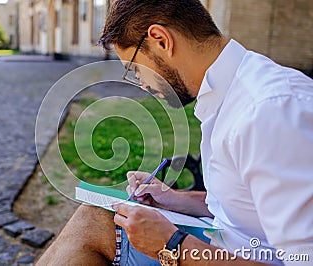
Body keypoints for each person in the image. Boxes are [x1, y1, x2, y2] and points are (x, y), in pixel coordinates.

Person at [36, 0, 313, 265]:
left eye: (134, 70)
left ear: (161, 40)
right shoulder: (229, 93)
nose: (140, 84)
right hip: (221, 242)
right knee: (95, 216)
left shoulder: (270, 112)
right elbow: (247, 205)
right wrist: (175, 199)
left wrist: (172, 245)